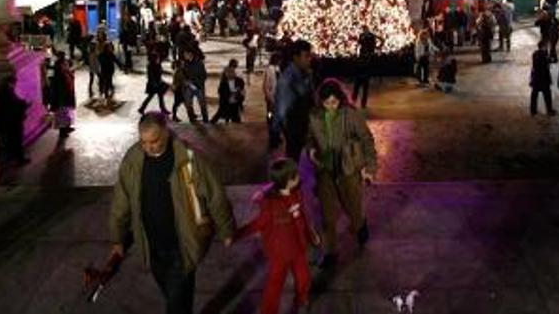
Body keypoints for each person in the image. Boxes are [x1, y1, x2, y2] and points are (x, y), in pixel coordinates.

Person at [109, 112, 235, 314]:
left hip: (182, 244)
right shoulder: (133, 160)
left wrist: (226, 228)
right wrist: (118, 238)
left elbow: (215, 194)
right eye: (144, 142)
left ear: (166, 132)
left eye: (154, 141)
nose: (149, 147)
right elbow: (120, 202)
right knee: (173, 295)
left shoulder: (189, 158)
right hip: (152, 246)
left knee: (176, 302)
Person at [306, 79, 376, 269]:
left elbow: (366, 139)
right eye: (326, 103)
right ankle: (330, 252)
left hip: (348, 168)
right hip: (325, 170)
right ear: (321, 101)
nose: (331, 106)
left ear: (340, 99)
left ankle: (360, 224)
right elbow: (310, 138)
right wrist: (311, 150)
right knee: (327, 214)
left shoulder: (350, 115)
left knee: (352, 207)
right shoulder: (314, 115)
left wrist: (370, 168)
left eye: (334, 102)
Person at [236, 158, 320, 314]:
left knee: (304, 278)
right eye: (295, 175)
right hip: (280, 254)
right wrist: (235, 235)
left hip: (298, 248)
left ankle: (302, 299)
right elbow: (256, 224)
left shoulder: (297, 194)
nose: (299, 176)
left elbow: (303, 217)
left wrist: (311, 234)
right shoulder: (271, 205)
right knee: (275, 285)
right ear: (288, 181)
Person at [273, 40, 314, 160]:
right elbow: (282, 110)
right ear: (296, 58)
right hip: (295, 129)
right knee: (295, 158)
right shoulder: (287, 79)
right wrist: (286, 131)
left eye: (310, 56)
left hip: (303, 127)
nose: (309, 60)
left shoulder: (304, 74)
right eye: (306, 56)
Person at [0, 73, 30, 165]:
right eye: (13, 83)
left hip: (8, 122)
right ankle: (19, 159)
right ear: (10, 83)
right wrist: (24, 104)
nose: (14, 85)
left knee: (11, 141)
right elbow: (13, 105)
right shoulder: (7, 93)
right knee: (16, 141)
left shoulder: (3, 92)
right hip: (11, 123)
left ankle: (14, 158)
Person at [47, 51, 77, 138]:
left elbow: (68, 75)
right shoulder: (57, 67)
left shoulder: (62, 66)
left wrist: (71, 72)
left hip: (66, 92)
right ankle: (63, 130)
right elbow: (54, 79)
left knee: (66, 110)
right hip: (61, 94)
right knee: (62, 111)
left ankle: (66, 127)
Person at [354, 26, 382, 109]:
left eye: (365, 30)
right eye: (364, 30)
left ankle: (362, 103)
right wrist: (357, 53)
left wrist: (376, 47)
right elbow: (358, 44)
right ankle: (355, 100)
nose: (364, 31)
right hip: (363, 60)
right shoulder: (362, 36)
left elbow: (381, 41)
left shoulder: (371, 36)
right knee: (358, 83)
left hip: (367, 60)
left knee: (364, 84)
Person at [214, 59, 245, 124]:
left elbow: (241, 87)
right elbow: (221, 92)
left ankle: (234, 122)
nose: (231, 74)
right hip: (226, 99)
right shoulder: (224, 82)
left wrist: (238, 93)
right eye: (228, 73)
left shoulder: (237, 79)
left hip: (233, 99)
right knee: (221, 113)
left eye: (232, 72)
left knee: (235, 115)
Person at [182, 48, 209, 123]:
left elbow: (204, 75)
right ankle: (192, 119)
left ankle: (205, 120)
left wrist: (195, 83)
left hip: (199, 87)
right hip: (188, 87)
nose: (184, 56)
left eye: (185, 54)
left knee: (202, 103)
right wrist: (186, 82)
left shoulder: (199, 63)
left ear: (190, 54)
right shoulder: (185, 64)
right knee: (188, 104)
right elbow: (183, 75)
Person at [529, 41, 556, 116]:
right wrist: (549, 59)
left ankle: (533, 110)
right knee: (547, 95)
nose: (546, 47)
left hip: (536, 78)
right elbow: (547, 63)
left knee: (534, 95)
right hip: (543, 78)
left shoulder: (535, 54)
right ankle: (549, 110)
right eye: (545, 46)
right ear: (543, 46)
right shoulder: (543, 55)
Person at [139, 51, 168, 115]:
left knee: (160, 96)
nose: (158, 59)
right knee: (150, 97)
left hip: (158, 83)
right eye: (157, 58)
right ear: (154, 59)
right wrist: (155, 83)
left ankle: (163, 109)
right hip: (153, 84)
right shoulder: (150, 66)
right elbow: (151, 76)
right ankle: (142, 108)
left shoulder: (158, 64)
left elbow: (160, 73)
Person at [263, 53, 281, 144]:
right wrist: (270, 98)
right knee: (271, 117)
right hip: (271, 99)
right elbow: (266, 86)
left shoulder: (278, 69)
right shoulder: (269, 70)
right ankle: (273, 137)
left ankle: (277, 135)